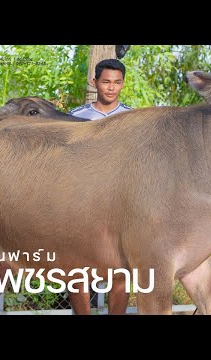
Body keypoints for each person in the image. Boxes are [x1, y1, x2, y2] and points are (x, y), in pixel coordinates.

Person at [68, 58, 132, 314]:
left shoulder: (132, 118)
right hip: (81, 205)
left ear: (123, 84)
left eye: (117, 82)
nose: (111, 88)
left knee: (120, 272)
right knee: (77, 271)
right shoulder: (74, 118)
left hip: (120, 206)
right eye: (106, 81)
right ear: (94, 82)